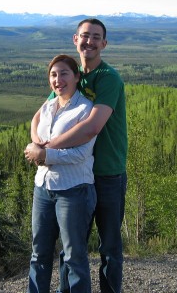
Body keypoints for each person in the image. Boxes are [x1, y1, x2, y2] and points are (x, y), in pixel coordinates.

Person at [30, 18, 128, 293]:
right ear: (76, 39)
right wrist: (37, 141)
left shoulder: (108, 78)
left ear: (104, 44)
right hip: (77, 176)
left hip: (107, 171)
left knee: (109, 247)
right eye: (85, 36)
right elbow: (40, 114)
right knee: (72, 249)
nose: (90, 41)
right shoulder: (71, 76)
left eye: (96, 37)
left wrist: (46, 151)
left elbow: (92, 127)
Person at [24, 54, 97, 293]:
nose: (58, 80)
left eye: (64, 73)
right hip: (43, 188)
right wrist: (34, 146)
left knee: (74, 256)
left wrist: (44, 155)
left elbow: (81, 154)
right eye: (53, 75)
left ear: (77, 77)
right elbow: (38, 133)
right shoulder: (48, 106)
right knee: (39, 253)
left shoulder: (85, 109)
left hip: (73, 190)